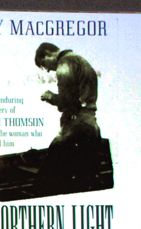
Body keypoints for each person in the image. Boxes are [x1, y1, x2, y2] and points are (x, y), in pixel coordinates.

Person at [31, 42, 102, 193]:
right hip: (91, 124)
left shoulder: (65, 64)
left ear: (49, 53)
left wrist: (51, 97)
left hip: (76, 125)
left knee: (46, 180)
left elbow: (68, 101)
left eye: (45, 65)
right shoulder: (81, 61)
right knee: (86, 178)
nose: (49, 70)